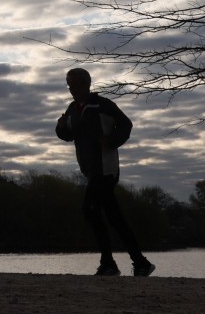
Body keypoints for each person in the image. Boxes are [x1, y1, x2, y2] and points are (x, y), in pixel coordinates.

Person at [55, 68, 155, 277]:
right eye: (69, 84)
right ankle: (140, 262)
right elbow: (68, 135)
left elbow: (126, 124)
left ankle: (109, 263)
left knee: (89, 210)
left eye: (74, 84)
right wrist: (61, 127)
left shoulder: (103, 105)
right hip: (90, 170)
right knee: (114, 217)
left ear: (86, 84)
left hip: (106, 169)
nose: (71, 88)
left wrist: (112, 141)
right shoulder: (73, 109)